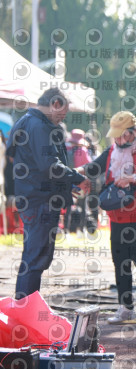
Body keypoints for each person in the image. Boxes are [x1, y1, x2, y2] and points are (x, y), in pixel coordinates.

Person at [79, 111, 136, 325]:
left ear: (130, 133)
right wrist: (71, 172)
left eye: (119, 135)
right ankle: (126, 308)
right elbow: (94, 167)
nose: (116, 139)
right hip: (119, 216)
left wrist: (132, 178)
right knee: (120, 261)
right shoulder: (112, 151)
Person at [6, 87, 90, 299]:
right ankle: (25, 307)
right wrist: (77, 178)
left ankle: (25, 306)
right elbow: (49, 165)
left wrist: (63, 187)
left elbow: (16, 157)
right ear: (55, 104)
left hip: (33, 197)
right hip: (40, 201)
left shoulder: (24, 121)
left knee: (35, 256)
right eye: (63, 112)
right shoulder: (39, 126)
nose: (63, 117)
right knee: (36, 258)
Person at [63, 129, 93, 233]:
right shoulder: (83, 151)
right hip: (81, 182)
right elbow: (89, 166)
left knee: (68, 206)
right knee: (83, 205)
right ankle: (81, 228)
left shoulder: (66, 149)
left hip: (68, 181)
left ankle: (66, 229)